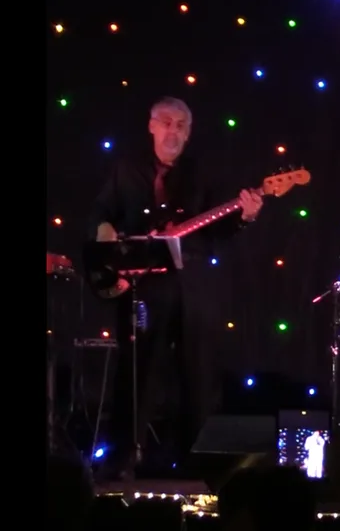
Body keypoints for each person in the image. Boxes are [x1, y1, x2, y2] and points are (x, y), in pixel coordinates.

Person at [88, 97, 264, 479]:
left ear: (189, 133)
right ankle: (122, 461)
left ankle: (197, 462)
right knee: (138, 372)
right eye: (166, 122)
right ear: (151, 126)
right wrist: (108, 241)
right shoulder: (126, 170)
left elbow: (220, 229)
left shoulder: (202, 174)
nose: (174, 131)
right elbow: (102, 214)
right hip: (142, 286)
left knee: (198, 373)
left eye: (181, 125)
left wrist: (245, 217)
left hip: (193, 286)